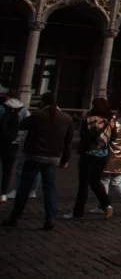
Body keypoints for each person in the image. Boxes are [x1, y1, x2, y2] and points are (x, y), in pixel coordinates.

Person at [1, 93, 73, 230]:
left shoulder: (38, 115)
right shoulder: (66, 118)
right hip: (53, 157)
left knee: (24, 187)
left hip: (35, 155)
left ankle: (15, 216)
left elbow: (23, 125)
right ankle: (50, 218)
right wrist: (64, 160)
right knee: (49, 188)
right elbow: (68, 142)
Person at [67, 97, 113, 220]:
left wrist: (83, 121)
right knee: (96, 182)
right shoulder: (108, 120)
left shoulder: (91, 120)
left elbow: (87, 135)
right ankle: (107, 205)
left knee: (84, 184)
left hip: (89, 154)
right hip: (102, 154)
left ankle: (78, 212)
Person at [0, 95, 29, 202]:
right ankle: (2, 193)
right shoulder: (23, 111)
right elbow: (26, 126)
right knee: (7, 170)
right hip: (13, 143)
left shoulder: (1, 109)